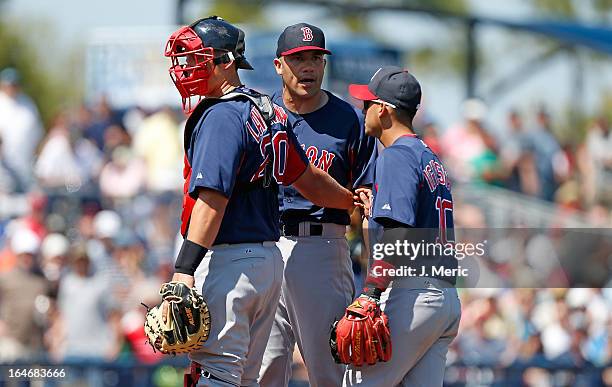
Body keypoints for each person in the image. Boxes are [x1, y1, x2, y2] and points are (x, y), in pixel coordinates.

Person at [162, 16, 355, 386]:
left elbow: (212, 200)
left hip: (230, 263)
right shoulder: (267, 109)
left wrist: (184, 267)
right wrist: (349, 200)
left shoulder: (220, 114)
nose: (186, 67)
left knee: (215, 373)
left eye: (197, 58)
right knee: (248, 379)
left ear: (227, 62)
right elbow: (308, 178)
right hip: (267, 265)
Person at [259, 23, 374, 387]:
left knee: (330, 373)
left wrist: (373, 280)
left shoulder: (349, 121)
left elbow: (367, 202)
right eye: (298, 59)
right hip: (266, 247)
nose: (308, 67)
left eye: (315, 59)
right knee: (264, 370)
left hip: (322, 247)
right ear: (279, 65)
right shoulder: (260, 115)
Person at [346, 66, 462, 386]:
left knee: (356, 383)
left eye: (367, 103)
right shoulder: (428, 156)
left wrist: (371, 293)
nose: (363, 110)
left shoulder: (396, 155)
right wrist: (372, 219)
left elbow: (398, 233)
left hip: (415, 294)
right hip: (445, 297)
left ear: (383, 110)